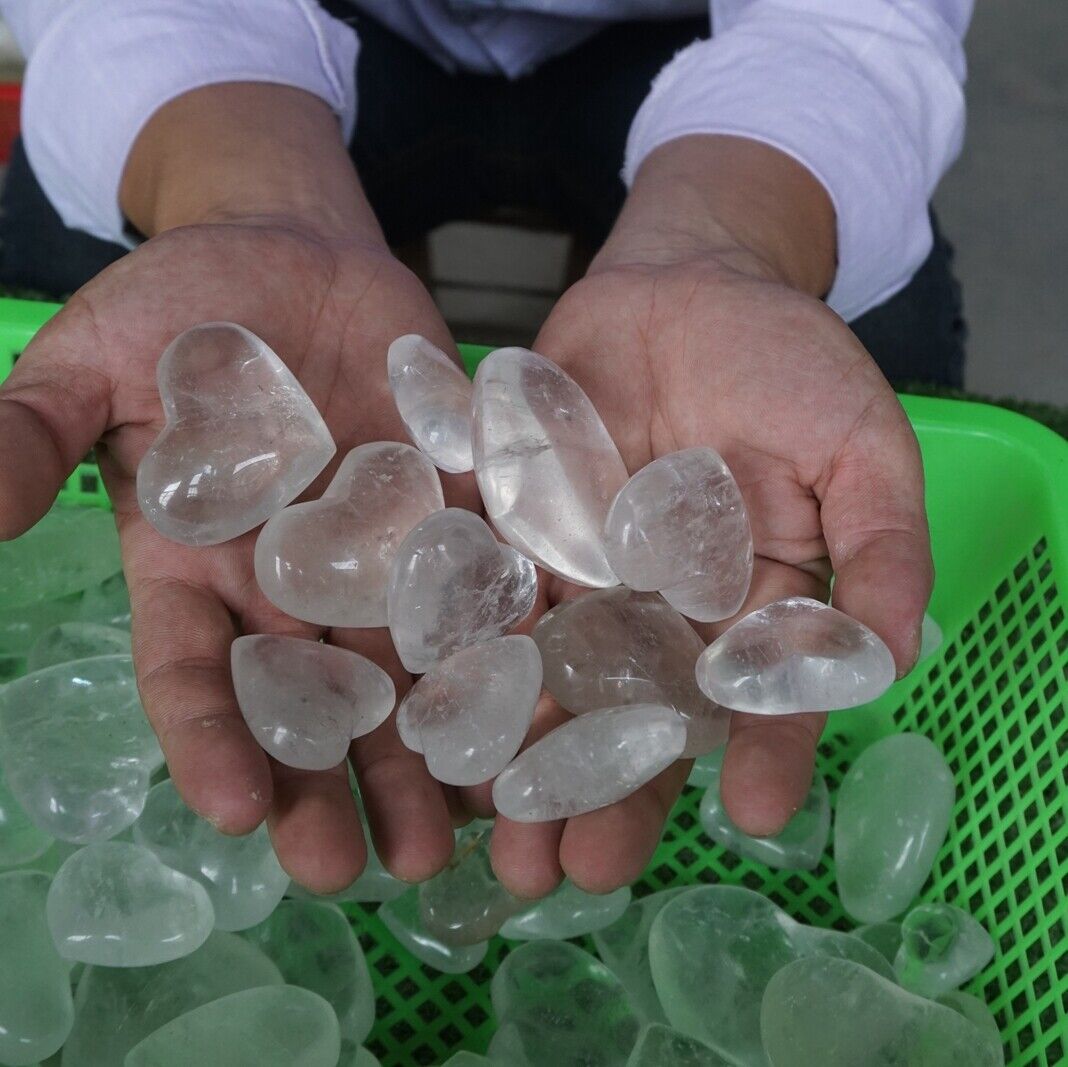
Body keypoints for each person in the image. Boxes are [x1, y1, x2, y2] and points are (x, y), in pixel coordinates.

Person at [0, 1, 970, 899]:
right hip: (300, 32)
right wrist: (244, 194)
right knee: (87, 279)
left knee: (881, 369)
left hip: (690, 41)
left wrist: (728, 237)